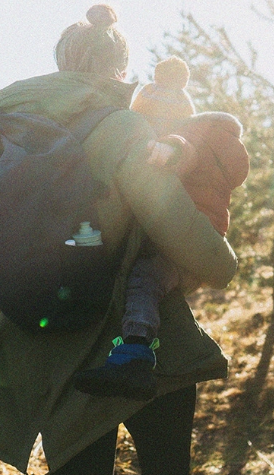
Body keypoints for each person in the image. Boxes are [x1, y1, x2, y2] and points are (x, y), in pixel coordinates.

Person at [0, 4, 238, 475]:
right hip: (140, 341)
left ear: (63, 61)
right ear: (119, 67)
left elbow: (0, 250)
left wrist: (10, 337)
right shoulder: (119, 125)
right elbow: (169, 218)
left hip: (56, 346)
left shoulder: (7, 131)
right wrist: (222, 260)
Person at [73, 55, 248, 399]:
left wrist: (167, 149)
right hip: (195, 244)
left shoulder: (186, 137)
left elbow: (185, 149)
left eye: (147, 121)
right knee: (151, 281)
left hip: (185, 246)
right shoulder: (215, 143)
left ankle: (135, 355)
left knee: (144, 280)